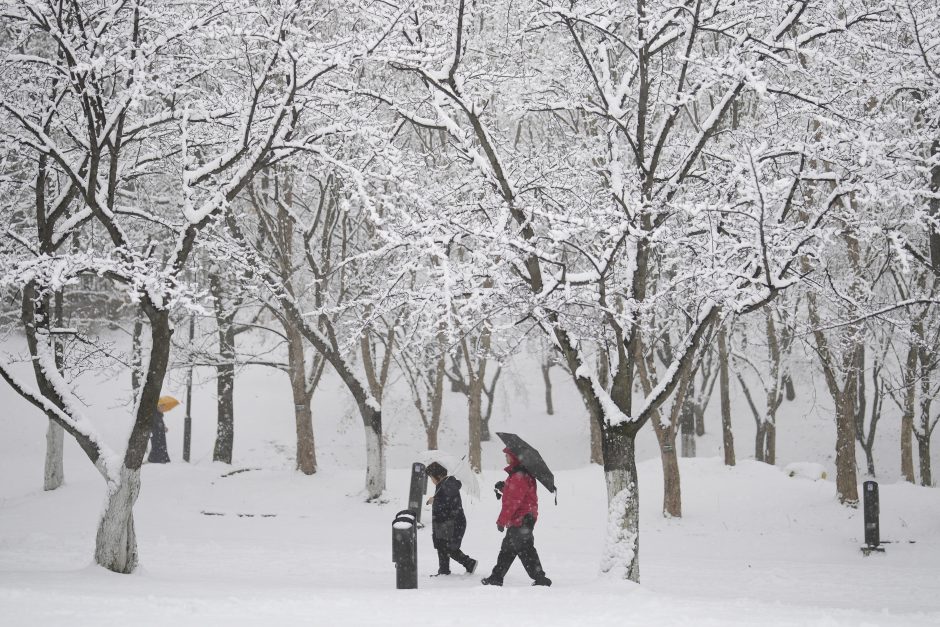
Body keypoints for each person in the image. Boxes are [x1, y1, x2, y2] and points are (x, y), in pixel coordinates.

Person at [481, 448, 551, 586]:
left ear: (514, 457)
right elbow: (517, 494)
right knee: (508, 549)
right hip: (523, 517)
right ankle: (496, 577)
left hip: (522, 518)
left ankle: (541, 579)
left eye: (507, 455)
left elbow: (512, 502)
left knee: (525, 550)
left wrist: (501, 521)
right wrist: (504, 487)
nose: (505, 457)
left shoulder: (519, 475)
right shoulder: (519, 474)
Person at [425, 461, 478, 576]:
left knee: (448, 547)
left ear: (438, 476)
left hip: (453, 523)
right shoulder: (443, 485)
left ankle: (469, 563)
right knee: (442, 546)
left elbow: (447, 502)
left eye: (431, 478)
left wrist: (435, 501)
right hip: (445, 522)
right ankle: (444, 571)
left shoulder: (449, 485)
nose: (431, 481)